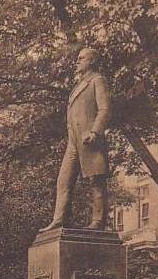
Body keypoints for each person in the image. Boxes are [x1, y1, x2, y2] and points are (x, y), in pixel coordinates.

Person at [39, 47, 111, 232]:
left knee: (95, 180)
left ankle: (98, 222)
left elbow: (104, 109)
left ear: (92, 61)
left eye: (81, 58)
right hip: (74, 141)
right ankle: (60, 219)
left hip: (90, 140)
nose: (77, 62)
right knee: (64, 180)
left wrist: (95, 132)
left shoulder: (98, 80)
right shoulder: (78, 85)